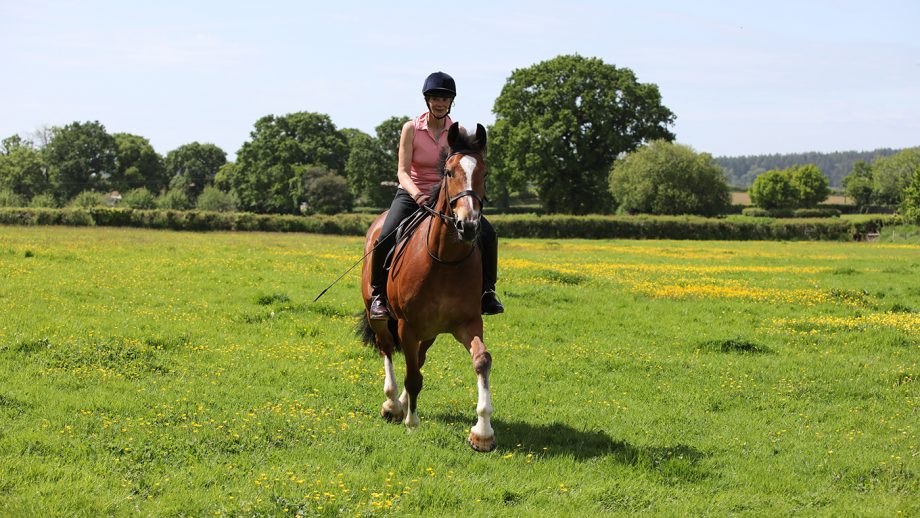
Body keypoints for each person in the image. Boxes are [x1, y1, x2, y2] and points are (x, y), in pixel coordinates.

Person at [369, 71, 504, 320]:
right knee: (385, 235)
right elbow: (402, 171)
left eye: (444, 99)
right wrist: (418, 195)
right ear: (427, 100)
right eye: (434, 98)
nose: (439, 103)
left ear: (451, 101)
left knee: (488, 234)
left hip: (447, 196)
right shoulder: (411, 129)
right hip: (413, 193)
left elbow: (463, 168)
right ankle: (378, 295)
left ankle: (487, 292)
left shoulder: (457, 131)